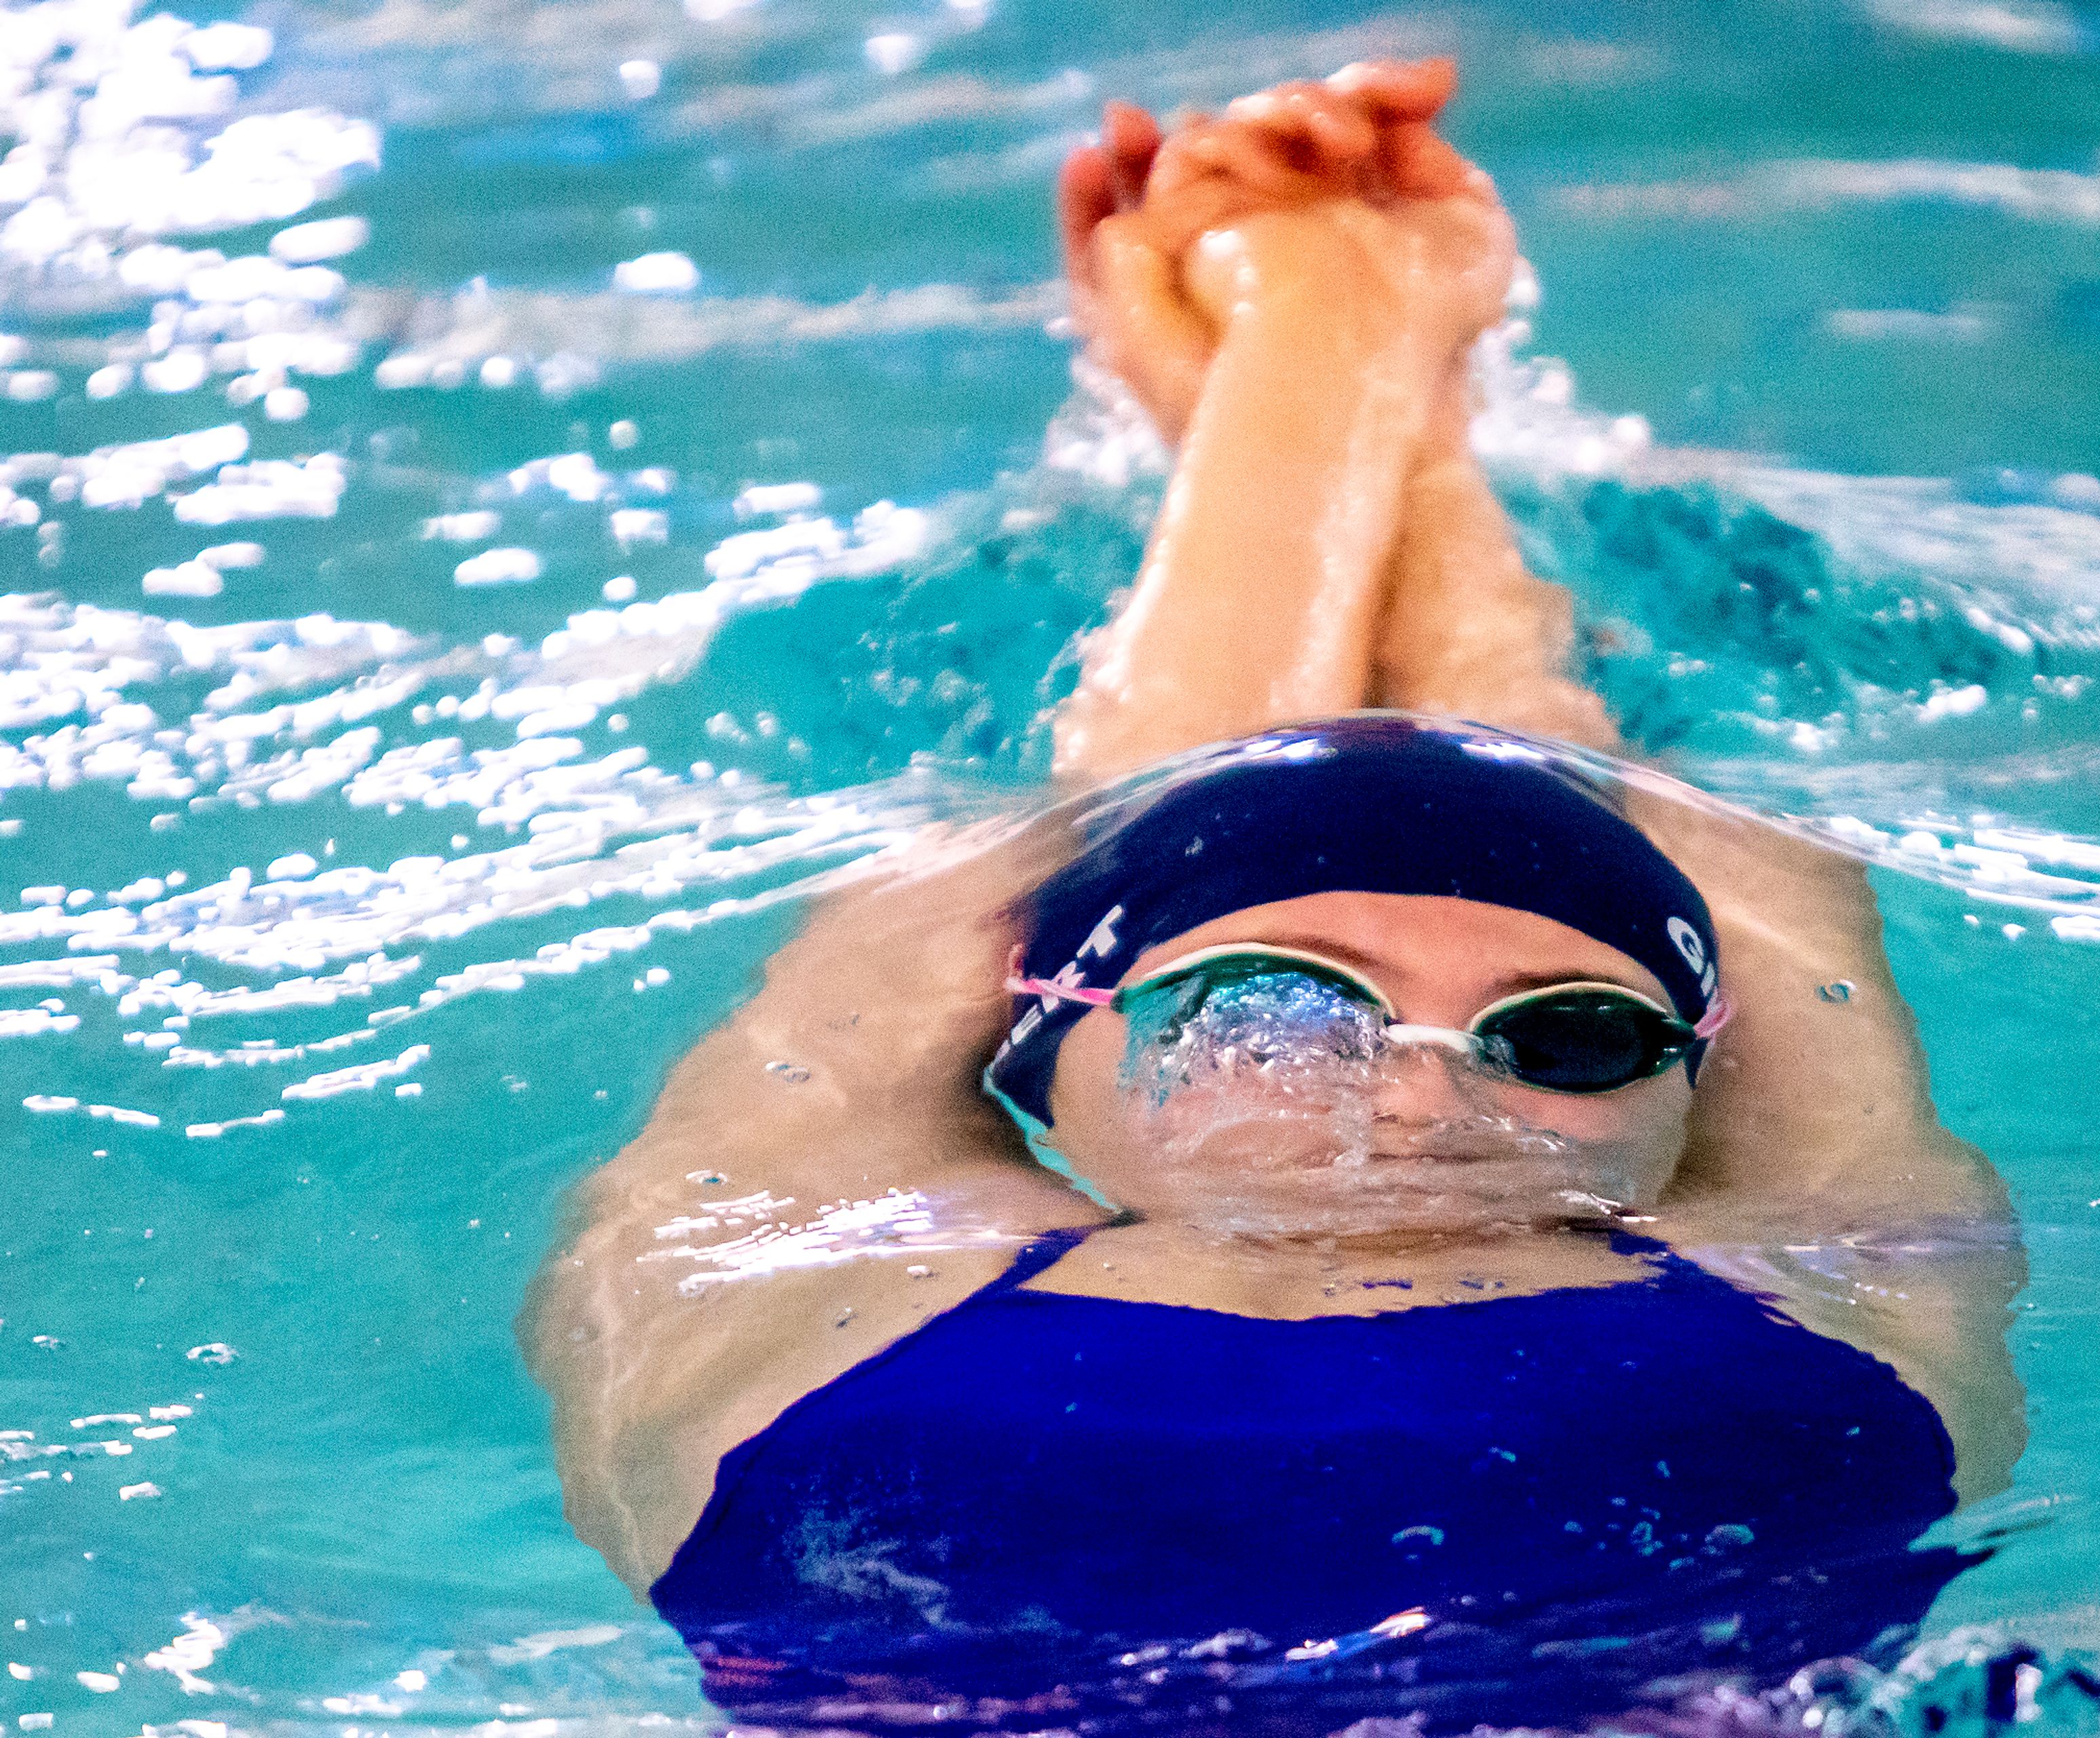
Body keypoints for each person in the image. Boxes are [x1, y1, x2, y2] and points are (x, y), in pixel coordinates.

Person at [522, 58, 2023, 1733]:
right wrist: (1351, 356)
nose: (1421, 1090)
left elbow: (1739, 893)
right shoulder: (1849, 1326)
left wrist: (1318, 360)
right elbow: (1092, 824)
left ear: (1694, 1080)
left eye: (1577, 1036)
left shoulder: (772, 1329)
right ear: (1040, 1033)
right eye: (1277, 1005)